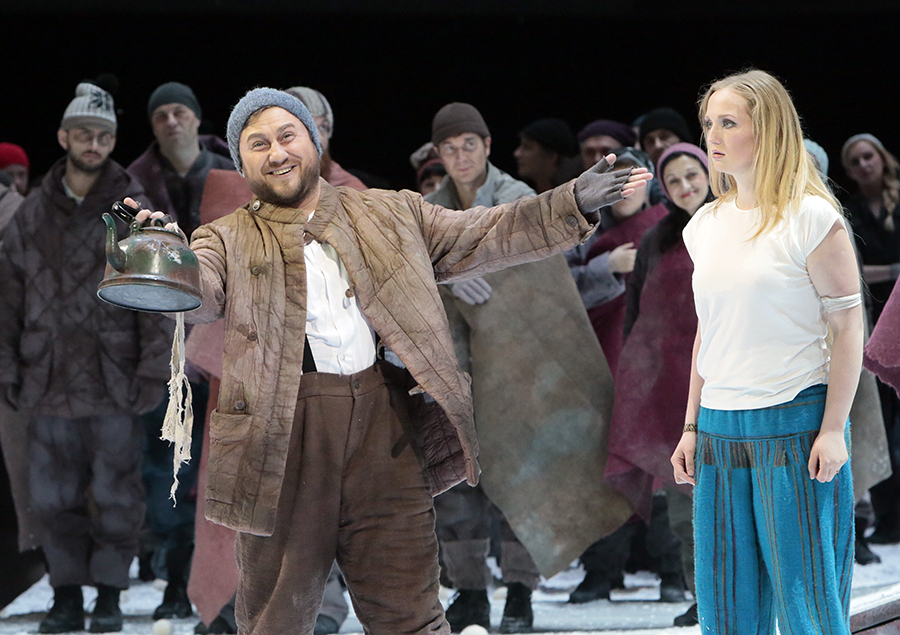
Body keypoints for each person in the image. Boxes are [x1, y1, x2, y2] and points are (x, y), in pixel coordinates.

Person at [131, 87, 649, 635]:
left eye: (287, 136)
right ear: (242, 162)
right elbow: (203, 288)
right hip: (280, 444)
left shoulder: (390, 212)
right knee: (273, 620)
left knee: (411, 616)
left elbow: (487, 230)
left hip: (386, 434)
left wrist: (569, 202)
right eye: (257, 144)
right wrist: (166, 262)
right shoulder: (226, 237)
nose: (276, 152)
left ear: (314, 140)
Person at [425, 102, 628, 632]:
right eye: (449, 147)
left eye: (470, 144)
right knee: (458, 482)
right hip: (457, 363)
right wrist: (443, 277)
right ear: (438, 154)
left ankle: (520, 589)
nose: (461, 155)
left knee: (524, 469)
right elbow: (407, 264)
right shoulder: (430, 206)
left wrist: (470, 265)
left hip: (520, 360)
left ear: (487, 146)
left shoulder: (516, 196)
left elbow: (535, 261)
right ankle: (469, 591)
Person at [671, 69, 861, 634]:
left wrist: (833, 429)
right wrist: (690, 426)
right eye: (709, 124)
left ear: (769, 129)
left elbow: (849, 329)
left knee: (806, 604)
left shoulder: (812, 218)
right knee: (726, 606)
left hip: (795, 423)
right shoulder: (704, 225)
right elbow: (708, 331)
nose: (714, 137)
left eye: (729, 123)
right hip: (720, 430)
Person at [0, 81, 172, 633]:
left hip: (112, 379)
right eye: (83, 134)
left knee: (117, 492)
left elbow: (158, 297)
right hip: (46, 377)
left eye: (103, 135)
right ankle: (67, 593)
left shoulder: (132, 209)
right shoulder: (30, 215)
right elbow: (7, 299)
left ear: (114, 140)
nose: (93, 143)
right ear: (64, 136)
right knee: (52, 496)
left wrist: (150, 372)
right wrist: (7, 368)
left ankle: (110, 596)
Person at [127, 80, 234, 621]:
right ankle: (175, 579)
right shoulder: (131, 186)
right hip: (161, 351)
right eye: (161, 114)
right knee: (166, 473)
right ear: (153, 126)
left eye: (179, 112)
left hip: (227, 346)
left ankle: (230, 589)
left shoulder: (236, 171)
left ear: (195, 119)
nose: (171, 121)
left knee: (227, 471)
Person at [605, 142, 713, 627]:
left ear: (710, 171)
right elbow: (636, 314)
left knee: (734, 500)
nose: (686, 186)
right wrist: (637, 382)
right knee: (684, 504)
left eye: (693, 175)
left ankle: (744, 592)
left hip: (731, 383)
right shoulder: (658, 238)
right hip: (672, 388)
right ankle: (702, 594)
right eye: (674, 181)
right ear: (663, 191)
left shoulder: (740, 223)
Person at [841, 133, 900, 547]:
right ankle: (891, 516)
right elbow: (854, 270)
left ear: (882, 158)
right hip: (871, 317)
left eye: (869, 156)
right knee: (881, 422)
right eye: (855, 161)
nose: (864, 165)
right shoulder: (852, 213)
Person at [284, 86, 367, 190]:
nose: (318, 137)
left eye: (323, 126)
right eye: (306, 126)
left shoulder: (350, 191)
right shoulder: (263, 181)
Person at [514, 118, 581, 193]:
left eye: (528, 147)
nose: (517, 153)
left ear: (551, 156)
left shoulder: (577, 195)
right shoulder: (521, 194)